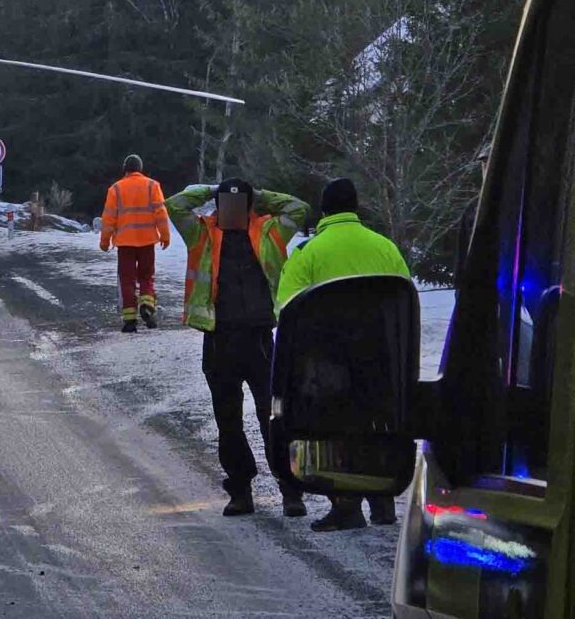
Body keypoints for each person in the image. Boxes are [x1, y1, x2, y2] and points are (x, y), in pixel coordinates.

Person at [166, 178, 310, 519]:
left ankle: (290, 490)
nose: (230, 211)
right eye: (225, 204)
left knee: (274, 417)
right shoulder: (202, 233)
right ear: (218, 205)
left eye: (238, 204)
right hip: (220, 340)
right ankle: (240, 491)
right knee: (228, 422)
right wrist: (210, 189)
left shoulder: (269, 231)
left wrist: (257, 195)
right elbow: (174, 205)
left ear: (249, 206)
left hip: (260, 340)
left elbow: (299, 208)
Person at [277, 177, 412, 533]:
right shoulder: (384, 247)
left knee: (335, 428)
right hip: (379, 356)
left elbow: (286, 308)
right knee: (373, 421)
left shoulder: (308, 252)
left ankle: (346, 504)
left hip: (329, 360)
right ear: (356, 206)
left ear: (323, 211)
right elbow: (404, 298)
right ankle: (382, 500)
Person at [98, 154, 171, 332]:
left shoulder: (115, 189)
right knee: (146, 276)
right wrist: (165, 235)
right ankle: (147, 305)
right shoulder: (152, 186)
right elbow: (161, 213)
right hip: (147, 241)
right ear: (140, 168)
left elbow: (108, 218)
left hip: (125, 243)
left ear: (125, 169)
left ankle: (130, 321)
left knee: (127, 280)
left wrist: (105, 241)